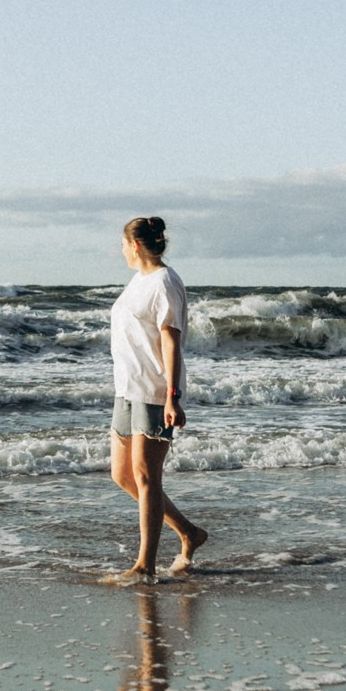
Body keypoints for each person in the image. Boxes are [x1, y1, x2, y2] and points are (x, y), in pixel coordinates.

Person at [108, 215, 207, 578]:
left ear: (135, 245)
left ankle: (144, 566)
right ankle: (189, 533)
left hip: (154, 390)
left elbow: (171, 339)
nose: (121, 251)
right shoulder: (139, 280)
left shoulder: (166, 282)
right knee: (123, 475)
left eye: (122, 245)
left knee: (148, 477)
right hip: (127, 389)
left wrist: (173, 396)